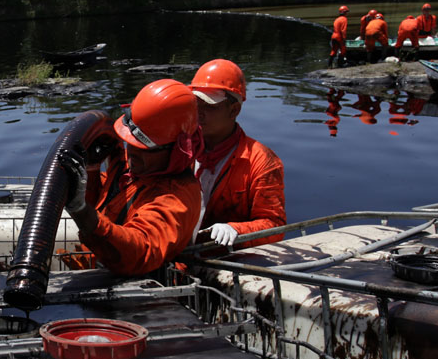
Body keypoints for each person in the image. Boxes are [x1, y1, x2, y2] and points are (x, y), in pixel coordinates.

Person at [61, 79, 203, 276]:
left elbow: (138, 252)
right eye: (130, 141)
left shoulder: (176, 198)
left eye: (143, 147)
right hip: (100, 263)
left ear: (177, 150)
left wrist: (80, 209)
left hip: (141, 291)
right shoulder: (138, 167)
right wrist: (92, 170)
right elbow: (106, 202)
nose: (132, 152)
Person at [189, 59, 285, 248]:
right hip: (179, 256)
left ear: (234, 110)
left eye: (209, 106)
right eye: (196, 103)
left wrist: (236, 230)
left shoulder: (262, 161)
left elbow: (275, 226)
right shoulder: (179, 149)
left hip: (225, 259)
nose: (199, 112)